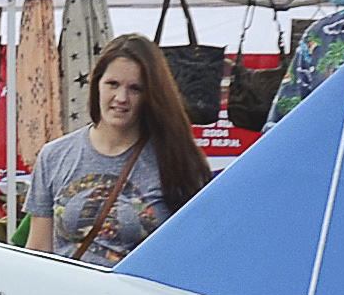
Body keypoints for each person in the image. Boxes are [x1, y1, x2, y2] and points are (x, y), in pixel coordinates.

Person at [22, 33, 215, 264]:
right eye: (112, 84)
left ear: (151, 95)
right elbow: (38, 251)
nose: (121, 97)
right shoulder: (54, 156)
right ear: (97, 85)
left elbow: (192, 253)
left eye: (135, 88)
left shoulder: (176, 160)